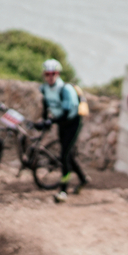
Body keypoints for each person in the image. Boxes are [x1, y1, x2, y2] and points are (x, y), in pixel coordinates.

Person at [39, 58, 88, 202]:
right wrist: (45, 121)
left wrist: (51, 121)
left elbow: (66, 113)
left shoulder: (65, 90)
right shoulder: (45, 89)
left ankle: (63, 190)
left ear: (58, 73)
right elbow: (46, 106)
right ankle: (83, 179)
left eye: (53, 73)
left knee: (64, 155)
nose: (50, 76)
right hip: (61, 123)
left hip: (72, 123)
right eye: (47, 74)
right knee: (68, 155)